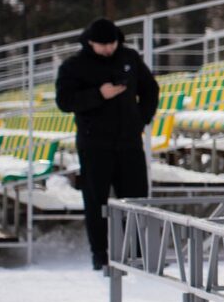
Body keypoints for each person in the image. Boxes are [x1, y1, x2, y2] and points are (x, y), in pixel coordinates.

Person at [54, 18, 159, 269]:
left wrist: (140, 119)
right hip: (94, 145)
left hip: (129, 142)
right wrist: (98, 95)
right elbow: (64, 101)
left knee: (135, 200)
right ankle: (100, 255)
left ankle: (135, 256)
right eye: (102, 45)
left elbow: (150, 90)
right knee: (95, 201)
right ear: (90, 42)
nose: (108, 49)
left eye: (112, 43)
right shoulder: (74, 65)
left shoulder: (129, 57)